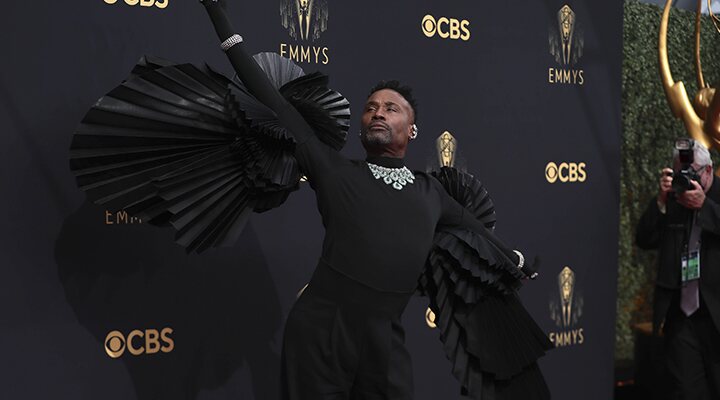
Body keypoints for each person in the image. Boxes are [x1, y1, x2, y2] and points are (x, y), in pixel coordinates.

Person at [69, 0, 551, 398]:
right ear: (360, 125)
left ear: (412, 128)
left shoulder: (433, 194)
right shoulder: (332, 167)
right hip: (319, 333)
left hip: (386, 340)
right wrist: (217, 13)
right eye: (370, 108)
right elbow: (270, 98)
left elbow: (476, 233)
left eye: (391, 108)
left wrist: (516, 260)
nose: (377, 113)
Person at [636, 140, 720, 400]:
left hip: (717, 315)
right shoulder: (672, 199)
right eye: (680, 172)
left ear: (708, 171)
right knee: (686, 392)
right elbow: (644, 238)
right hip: (682, 317)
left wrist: (703, 206)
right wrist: (661, 202)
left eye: (692, 172)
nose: (686, 179)